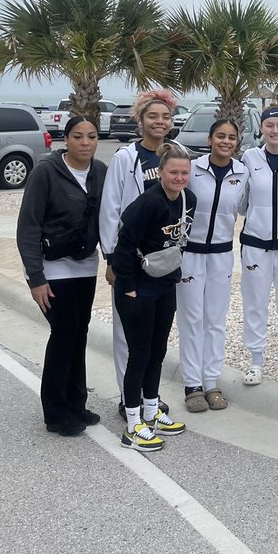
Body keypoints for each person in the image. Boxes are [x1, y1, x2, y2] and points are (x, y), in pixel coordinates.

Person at [16, 115, 107, 437]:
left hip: (86, 266)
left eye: (92, 137)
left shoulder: (100, 172)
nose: (85, 143)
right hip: (54, 269)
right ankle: (55, 413)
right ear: (65, 139)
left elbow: (107, 219)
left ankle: (76, 403)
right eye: (78, 137)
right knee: (63, 334)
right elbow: (28, 226)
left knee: (79, 334)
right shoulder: (46, 172)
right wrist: (36, 278)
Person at [99, 89, 181, 421]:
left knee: (153, 342)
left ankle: (150, 398)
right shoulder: (126, 157)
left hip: (161, 261)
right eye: (153, 116)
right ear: (140, 120)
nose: (159, 122)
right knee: (128, 335)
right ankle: (126, 397)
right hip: (131, 259)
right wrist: (111, 258)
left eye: (165, 116)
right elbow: (110, 208)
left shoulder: (176, 154)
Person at [109, 143, 195, 452]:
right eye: (173, 172)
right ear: (159, 173)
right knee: (139, 355)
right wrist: (128, 286)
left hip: (164, 285)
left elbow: (178, 240)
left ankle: (150, 411)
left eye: (184, 172)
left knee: (158, 352)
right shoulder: (145, 204)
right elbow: (122, 247)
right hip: (137, 289)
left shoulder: (188, 200)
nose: (179, 177)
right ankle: (133, 425)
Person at [178, 118, 249, 413]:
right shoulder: (193, 168)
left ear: (237, 142)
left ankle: (211, 381)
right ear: (209, 139)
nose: (226, 141)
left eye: (231, 137)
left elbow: (244, 207)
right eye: (220, 136)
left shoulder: (242, 172)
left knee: (215, 321)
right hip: (190, 254)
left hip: (221, 254)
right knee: (192, 319)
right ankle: (192, 384)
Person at [239, 107, 278, 387]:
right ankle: (256, 362)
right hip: (255, 245)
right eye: (269, 125)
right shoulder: (250, 158)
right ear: (261, 128)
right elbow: (242, 201)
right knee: (255, 303)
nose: (274, 130)